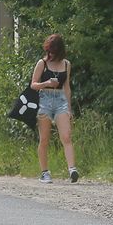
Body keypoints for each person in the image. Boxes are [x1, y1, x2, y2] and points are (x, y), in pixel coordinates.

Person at [30, 34, 78, 183]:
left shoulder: (66, 64)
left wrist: (69, 108)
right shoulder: (42, 63)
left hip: (61, 101)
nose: (50, 54)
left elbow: (67, 87)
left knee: (66, 136)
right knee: (44, 139)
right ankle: (45, 173)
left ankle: (72, 170)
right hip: (44, 100)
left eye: (53, 52)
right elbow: (33, 84)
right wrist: (46, 83)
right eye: (49, 51)